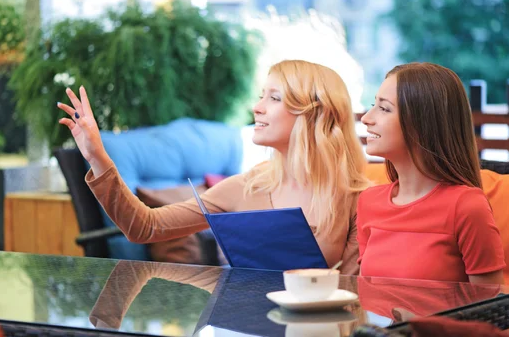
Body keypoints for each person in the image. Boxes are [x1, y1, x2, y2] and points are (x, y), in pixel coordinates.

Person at [57, 59, 370, 273]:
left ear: (311, 114)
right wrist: (97, 156)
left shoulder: (359, 198)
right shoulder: (244, 187)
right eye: (262, 96)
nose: (256, 107)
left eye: (273, 98)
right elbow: (144, 227)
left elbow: (357, 292)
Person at [357, 62, 505, 284]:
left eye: (384, 108)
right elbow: (366, 296)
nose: (367, 118)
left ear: (422, 122)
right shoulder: (368, 202)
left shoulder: (466, 207)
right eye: (373, 105)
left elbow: (490, 312)